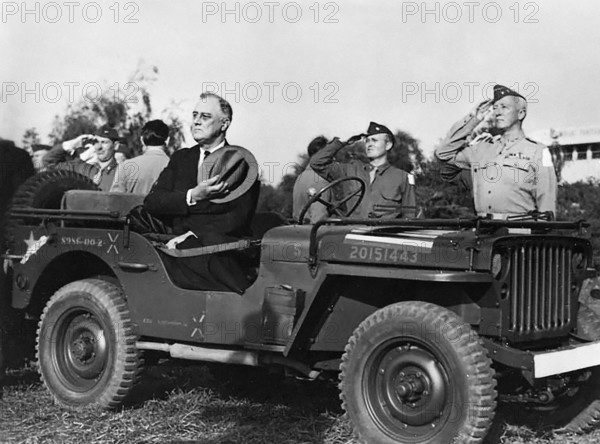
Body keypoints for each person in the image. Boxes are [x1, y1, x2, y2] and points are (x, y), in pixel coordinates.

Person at [144, 92, 259, 293]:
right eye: (195, 115)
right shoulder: (181, 158)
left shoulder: (240, 163)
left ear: (224, 124)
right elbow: (153, 202)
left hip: (214, 253)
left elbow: (236, 219)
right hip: (174, 251)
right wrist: (192, 196)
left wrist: (193, 234)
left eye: (205, 117)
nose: (196, 122)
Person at [435, 84, 556, 218]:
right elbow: (443, 153)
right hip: (483, 231)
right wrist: (474, 119)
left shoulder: (537, 151)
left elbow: (547, 206)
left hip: (518, 233)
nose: (497, 112)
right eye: (495, 108)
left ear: (521, 113)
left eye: (504, 107)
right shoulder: (481, 149)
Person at [310, 122, 417, 219]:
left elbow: (409, 217)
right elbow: (317, 163)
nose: (369, 144)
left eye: (374, 140)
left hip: (384, 237)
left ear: (388, 145)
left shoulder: (402, 177)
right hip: (353, 237)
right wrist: (340, 142)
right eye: (367, 141)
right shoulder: (349, 170)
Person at [43, 126, 120, 191]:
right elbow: (49, 162)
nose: (98, 147)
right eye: (96, 142)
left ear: (115, 146)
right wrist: (70, 145)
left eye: (104, 142)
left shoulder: (122, 173)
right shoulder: (81, 168)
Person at [110, 120, 170, 195]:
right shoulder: (176, 167)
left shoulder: (126, 166)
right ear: (167, 140)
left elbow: (114, 200)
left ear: (142, 140)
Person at [292, 136, 332, 223]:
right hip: (315, 233)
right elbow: (318, 219)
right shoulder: (321, 180)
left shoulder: (300, 178)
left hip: (299, 230)